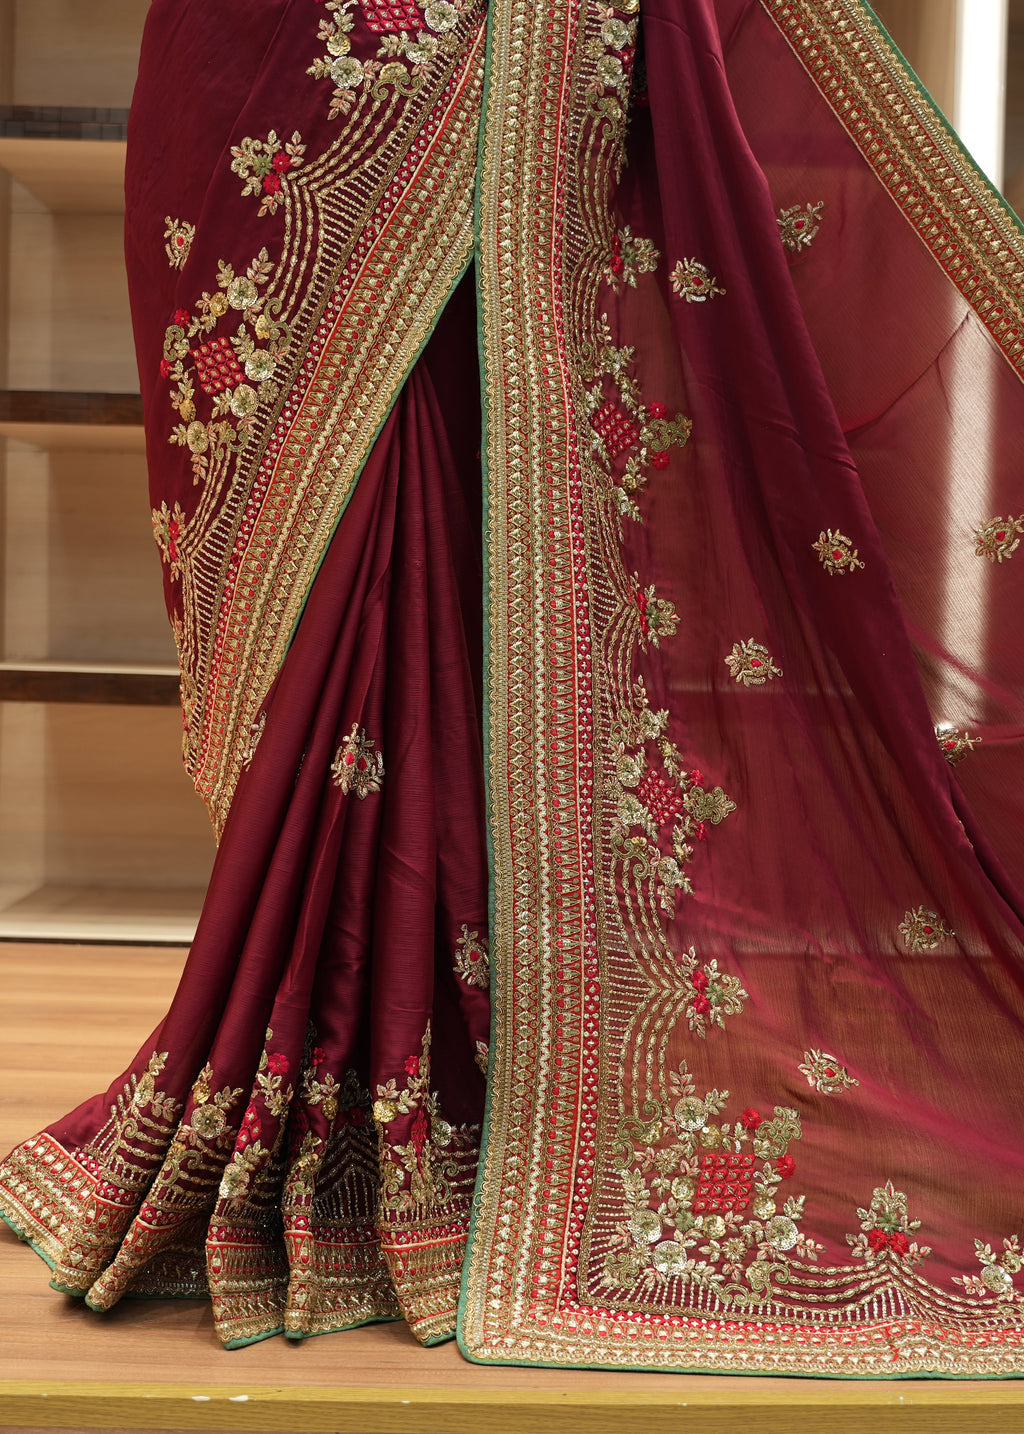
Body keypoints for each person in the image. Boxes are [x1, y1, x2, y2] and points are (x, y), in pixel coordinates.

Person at [3, 0, 1024, 1376]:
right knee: (320, 548)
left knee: (435, 517)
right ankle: (371, 1087)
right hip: (269, 60)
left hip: (482, 49)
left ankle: (449, 1089)